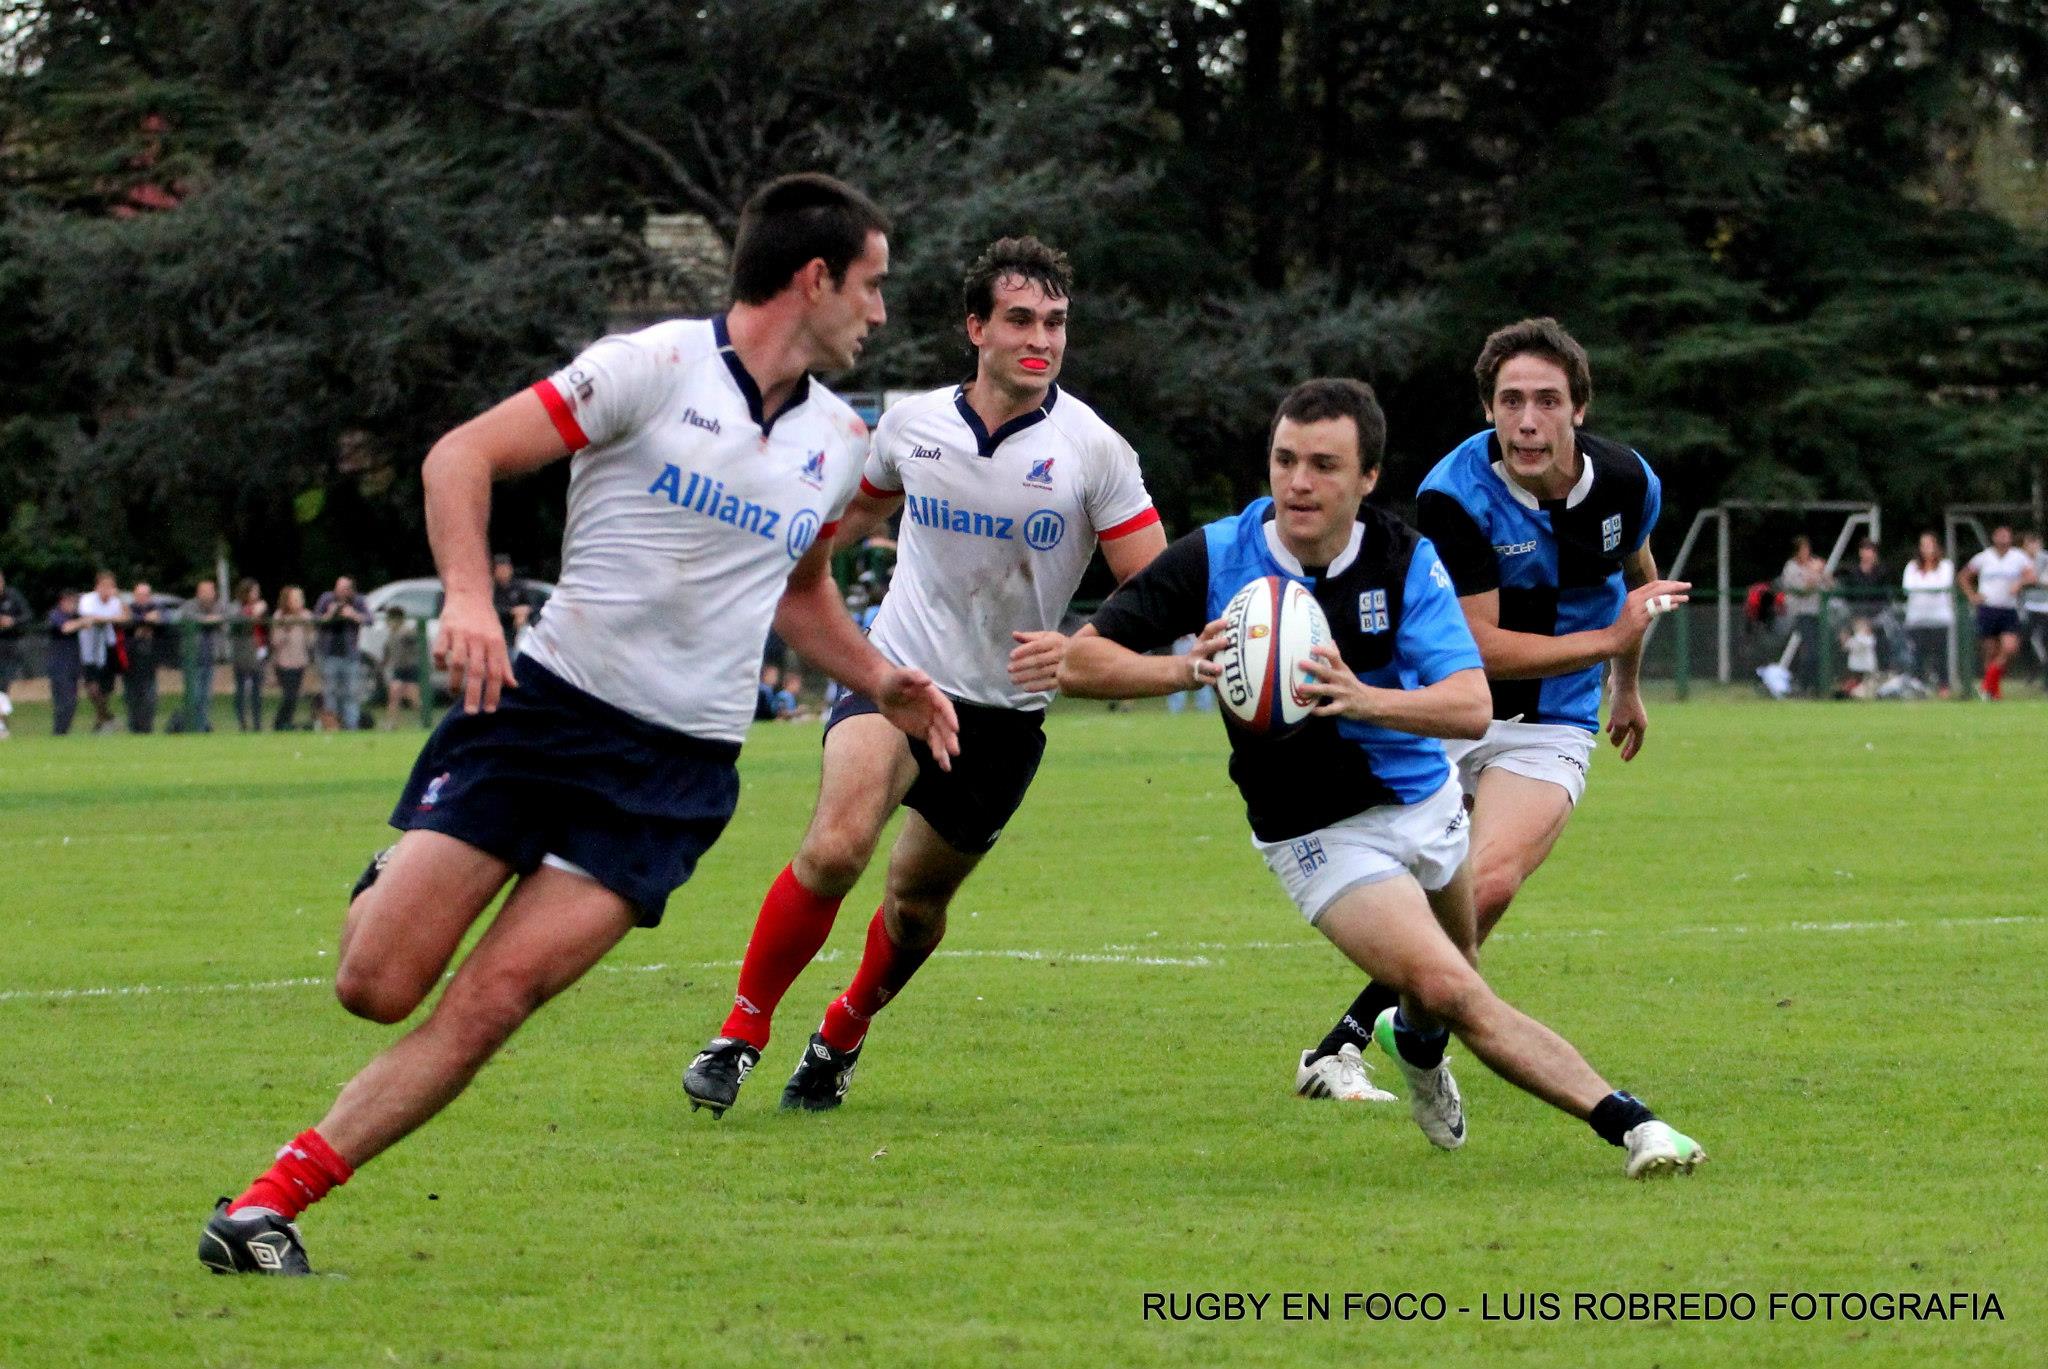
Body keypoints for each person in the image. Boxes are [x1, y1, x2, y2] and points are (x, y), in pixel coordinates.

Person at [198, 172, 958, 1277]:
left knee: (499, 996)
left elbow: (797, 595)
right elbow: (460, 455)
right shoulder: (646, 368)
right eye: (871, 286)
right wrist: (466, 597)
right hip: (541, 717)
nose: (879, 313)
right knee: (376, 986)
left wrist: (879, 677)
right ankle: (396, 869)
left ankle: (270, 1205)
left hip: (674, 770)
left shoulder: (840, 441)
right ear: (813, 277)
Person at [1060, 377, 1702, 1178]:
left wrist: (1363, 698)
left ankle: (1420, 1053)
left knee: (1446, 985)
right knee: (1451, 984)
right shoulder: (1220, 555)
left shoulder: (1403, 559)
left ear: (1366, 480)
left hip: (1428, 802)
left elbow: (1470, 706)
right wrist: (1186, 668)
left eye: (1325, 464)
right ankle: (1636, 1125)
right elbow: (1079, 659)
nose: (1298, 481)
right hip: (1316, 830)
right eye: (1285, 459)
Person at [682, 234, 1163, 1116]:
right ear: (974, 326)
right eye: (1021, 319)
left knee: (912, 908)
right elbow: (845, 525)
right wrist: (771, 561)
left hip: (1005, 716)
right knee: (836, 845)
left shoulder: (1094, 449)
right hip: (895, 673)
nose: (1042, 339)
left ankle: (842, 1032)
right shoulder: (911, 425)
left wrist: (1088, 647)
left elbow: (1156, 585)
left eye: (1056, 323)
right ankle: (739, 1033)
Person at [1296, 319, 1685, 1106]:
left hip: (1551, 720)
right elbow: (1480, 643)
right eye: (1511, 401)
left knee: (1491, 880)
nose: (1528, 420)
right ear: (1487, 410)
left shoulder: (1625, 478)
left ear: (1579, 408)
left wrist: (1629, 680)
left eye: (1547, 400)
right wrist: (1608, 638)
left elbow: (1638, 575)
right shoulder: (1454, 493)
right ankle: (1366, 1034)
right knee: (1416, 879)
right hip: (1449, 708)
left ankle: (1388, 1034)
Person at [1959, 525, 2035, 700]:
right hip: (1988, 608)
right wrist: (1972, 595)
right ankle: (1993, 692)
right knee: (1990, 651)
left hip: (2008, 608)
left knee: (2009, 647)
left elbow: (2031, 575)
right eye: (2000, 536)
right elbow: (1963, 576)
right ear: (1994, 538)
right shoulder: (1984, 558)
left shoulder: (2018, 557)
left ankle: (1986, 685)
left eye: (2006, 536)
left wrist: (2020, 583)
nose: (2003, 539)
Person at [1778, 535, 1833, 694]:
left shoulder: (1814, 565)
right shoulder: (1791, 568)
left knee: (1822, 651)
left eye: (1808, 549)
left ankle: (1818, 687)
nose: (1807, 552)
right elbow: (1802, 590)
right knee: (1810, 651)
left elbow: (1829, 586)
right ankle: (1802, 686)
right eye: (1803, 549)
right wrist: (1813, 573)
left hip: (1819, 614)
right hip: (1802, 614)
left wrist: (1823, 572)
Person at [313, 575, 370, 729]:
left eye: (344, 589)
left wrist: (353, 615)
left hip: (350, 655)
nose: (340, 592)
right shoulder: (326, 599)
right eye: (338, 588)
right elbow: (315, 620)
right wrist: (330, 614)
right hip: (329, 654)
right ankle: (332, 726)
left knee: (351, 693)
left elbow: (369, 620)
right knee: (329, 693)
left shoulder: (357, 601)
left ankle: (351, 726)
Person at [1901, 533, 1954, 696]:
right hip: (1916, 618)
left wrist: (1923, 585)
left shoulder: (1946, 566)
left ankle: (1943, 687)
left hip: (1939, 618)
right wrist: (1927, 585)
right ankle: (1919, 687)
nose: (1926, 549)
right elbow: (1907, 587)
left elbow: (1942, 585)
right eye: (1923, 545)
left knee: (1940, 654)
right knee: (1918, 654)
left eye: (1930, 545)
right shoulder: (1911, 566)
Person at [77, 569, 125, 733]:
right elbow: (90, 618)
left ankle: (101, 722)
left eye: (111, 586)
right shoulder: (87, 599)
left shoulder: (115, 601)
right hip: (90, 648)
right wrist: (108, 618)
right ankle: (106, 716)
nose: (107, 590)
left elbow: (123, 617)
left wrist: (105, 618)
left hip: (107, 646)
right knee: (91, 686)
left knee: (106, 688)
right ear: (97, 587)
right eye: (104, 586)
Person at [180, 579, 228, 732]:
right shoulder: (189, 606)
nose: (207, 595)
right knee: (194, 696)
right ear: (198, 593)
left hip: (209, 658)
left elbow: (226, 618)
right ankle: (192, 726)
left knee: (205, 697)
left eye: (210, 591)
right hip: (192, 659)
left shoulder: (219, 606)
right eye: (204, 591)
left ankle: (201, 727)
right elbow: (189, 618)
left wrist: (213, 619)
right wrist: (209, 620)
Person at [123, 580, 170, 734]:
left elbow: (162, 619)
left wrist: (140, 624)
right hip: (130, 661)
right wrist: (145, 622)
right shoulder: (127, 609)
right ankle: (134, 729)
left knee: (149, 697)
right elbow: (126, 622)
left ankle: (146, 729)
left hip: (149, 661)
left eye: (145, 595)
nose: (142, 598)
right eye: (139, 595)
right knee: (132, 697)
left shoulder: (158, 608)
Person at [269, 586, 315, 730]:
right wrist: (287, 629)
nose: (299, 601)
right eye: (295, 599)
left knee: (294, 695)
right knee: (288, 695)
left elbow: (311, 641)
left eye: (300, 598)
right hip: (284, 663)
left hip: (300, 661)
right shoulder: (279, 616)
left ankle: (287, 722)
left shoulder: (306, 616)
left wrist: (308, 629)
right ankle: (280, 722)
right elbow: (275, 641)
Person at [230, 579, 269, 732]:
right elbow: (238, 623)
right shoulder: (236, 607)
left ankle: (257, 724)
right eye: (254, 591)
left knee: (257, 691)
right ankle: (242, 724)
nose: (256, 594)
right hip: (243, 654)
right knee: (240, 690)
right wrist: (253, 613)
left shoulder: (261, 606)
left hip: (259, 651)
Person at [46, 589, 86, 735]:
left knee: (72, 702)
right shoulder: (55, 615)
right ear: (62, 601)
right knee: (63, 702)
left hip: (73, 665)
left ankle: (63, 732)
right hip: (59, 665)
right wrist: (83, 622)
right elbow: (65, 628)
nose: (73, 605)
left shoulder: (75, 616)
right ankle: (58, 732)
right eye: (70, 602)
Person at [378, 605, 423, 729]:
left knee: (413, 698)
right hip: (398, 669)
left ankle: (423, 721)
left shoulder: (406, 632)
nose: (387, 622)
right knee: (393, 696)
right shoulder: (391, 634)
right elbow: (387, 651)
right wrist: (383, 664)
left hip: (410, 668)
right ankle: (392, 723)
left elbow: (416, 643)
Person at [0, 569, 31, 733]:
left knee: (3, 686)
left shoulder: (13, 596)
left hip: (10, 646)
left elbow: (27, 616)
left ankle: (2, 724)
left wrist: (12, 621)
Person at [490, 553, 541, 649]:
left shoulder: (519, 587)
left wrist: (525, 611)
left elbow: (533, 606)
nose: (504, 572)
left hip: (516, 635)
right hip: (496, 632)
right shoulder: (490, 589)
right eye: (500, 569)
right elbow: (491, 609)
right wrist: (512, 612)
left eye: (506, 568)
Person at [2021, 530, 2048, 679]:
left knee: (2043, 640)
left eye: (2035, 543)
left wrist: (2027, 580)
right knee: (2025, 640)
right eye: (2029, 543)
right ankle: (2032, 671)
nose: (2032, 547)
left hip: (2045, 606)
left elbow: (2043, 580)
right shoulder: (2019, 559)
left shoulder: (2045, 559)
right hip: (2026, 607)